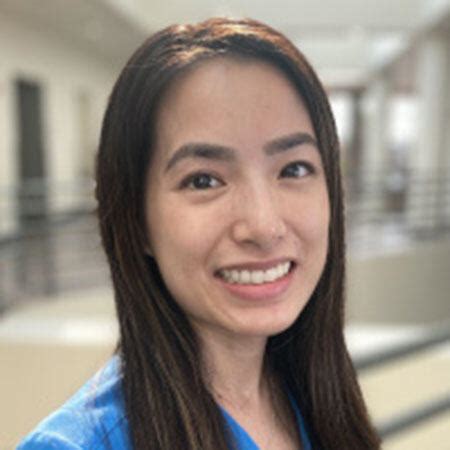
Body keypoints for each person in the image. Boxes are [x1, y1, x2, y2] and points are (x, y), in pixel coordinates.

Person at [18, 17, 381, 450]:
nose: (263, 226)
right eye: (204, 180)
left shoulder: (309, 395)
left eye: (294, 169)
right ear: (136, 219)